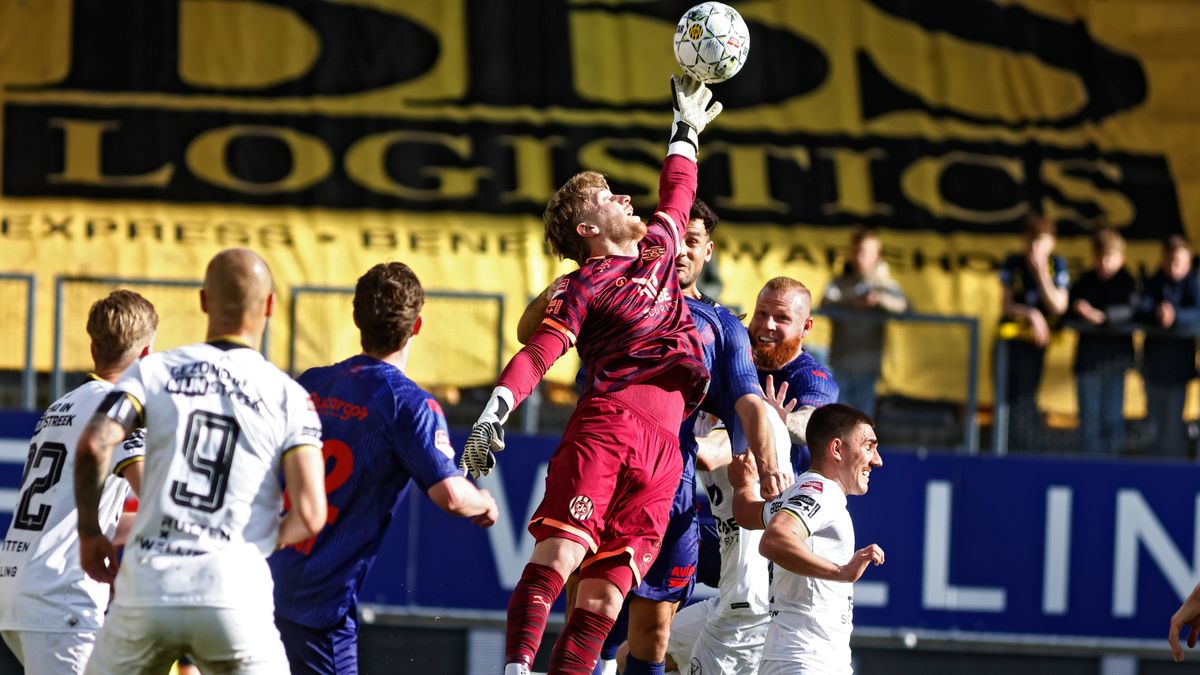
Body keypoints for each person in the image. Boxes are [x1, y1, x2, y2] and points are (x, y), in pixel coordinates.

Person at [458, 74, 721, 675]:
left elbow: (678, 192)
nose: (627, 200)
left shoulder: (659, 248)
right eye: (610, 198)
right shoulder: (581, 286)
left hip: (666, 453)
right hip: (610, 426)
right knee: (559, 557)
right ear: (588, 230)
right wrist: (496, 411)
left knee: (604, 600)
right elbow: (539, 352)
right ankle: (517, 668)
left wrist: (685, 131)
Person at [73, 248, 328, 675]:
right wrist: (258, 540)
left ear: (204, 300)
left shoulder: (153, 371)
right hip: (232, 592)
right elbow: (310, 513)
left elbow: (94, 446)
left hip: (147, 589)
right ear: (269, 306)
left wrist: (89, 533)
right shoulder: (290, 397)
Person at [269, 262, 499, 674]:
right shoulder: (408, 405)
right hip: (319, 603)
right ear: (418, 325)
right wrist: (483, 501)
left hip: (263, 579)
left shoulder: (312, 382)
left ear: (356, 318)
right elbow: (449, 494)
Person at [0, 290, 157, 674]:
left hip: (17, 587)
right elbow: (155, 494)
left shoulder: (59, 406)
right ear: (148, 355)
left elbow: (67, 514)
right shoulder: (119, 410)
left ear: (92, 346)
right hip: (61, 599)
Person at [730, 403, 885, 675]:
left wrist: (743, 485)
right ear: (837, 449)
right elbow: (774, 539)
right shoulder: (820, 491)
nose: (877, 460)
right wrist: (841, 571)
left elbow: (746, 514)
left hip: (801, 658)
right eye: (869, 446)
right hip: (807, 661)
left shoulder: (801, 492)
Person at [662, 403, 792, 674]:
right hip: (732, 596)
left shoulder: (746, 413)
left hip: (749, 605)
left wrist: (642, 436)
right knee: (643, 650)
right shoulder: (702, 417)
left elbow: (711, 454)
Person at [749, 277, 840, 475]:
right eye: (761, 314)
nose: (768, 325)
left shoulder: (813, 377)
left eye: (782, 318)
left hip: (780, 496)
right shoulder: (735, 348)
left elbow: (812, 423)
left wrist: (776, 419)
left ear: (806, 327)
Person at [997, 216, 1069, 452]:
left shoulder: (1056, 265)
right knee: (1007, 399)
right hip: (1010, 343)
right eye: (1031, 241)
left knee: (1028, 398)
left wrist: (1041, 273)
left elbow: (1058, 306)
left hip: (1037, 345)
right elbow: (1006, 305)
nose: (1035, 248)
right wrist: (1032, 315)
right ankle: (1004, 448)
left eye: (1041, 242)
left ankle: (1026, 449)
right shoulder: (1013, 263)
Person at [820, 227, 908, 418]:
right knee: (837, 421)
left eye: (867, 252)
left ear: (878, 256)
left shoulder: (885, 286)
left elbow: (903, 306)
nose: (861, 257)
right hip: (840, 364)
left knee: (862, 423)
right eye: (858, 251)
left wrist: (878, 298)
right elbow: (825, 303)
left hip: (868, 367)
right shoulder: (840, 283)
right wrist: (852, 301)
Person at [1069, 228, 1138, 456]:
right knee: (1089, 419)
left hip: (1115, 361)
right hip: (1089, 360)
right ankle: (1091, 467)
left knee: (1112, 418)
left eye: (1111, 257)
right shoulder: (1086, 281)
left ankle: (1111, 466)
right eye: (1101, 257)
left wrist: (1104, 316)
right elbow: (1068, 306)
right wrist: (1080, 310)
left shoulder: (1127, 282)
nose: (1105, 263)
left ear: (1121, 257)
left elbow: (1132, 309)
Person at [1139, 236, 1200, 459]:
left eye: (1179, 262)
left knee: (1173, 424)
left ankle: (1174, 472)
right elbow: (1140, 307)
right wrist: (1157, 313)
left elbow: (1197, 311)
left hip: (1179, 370)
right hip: (1154, 368)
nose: (1174, 267)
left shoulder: (1193, 284)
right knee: (1153, 426)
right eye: (1170, 261)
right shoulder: (1155, 282)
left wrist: (1176, 316)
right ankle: (1154, 469)